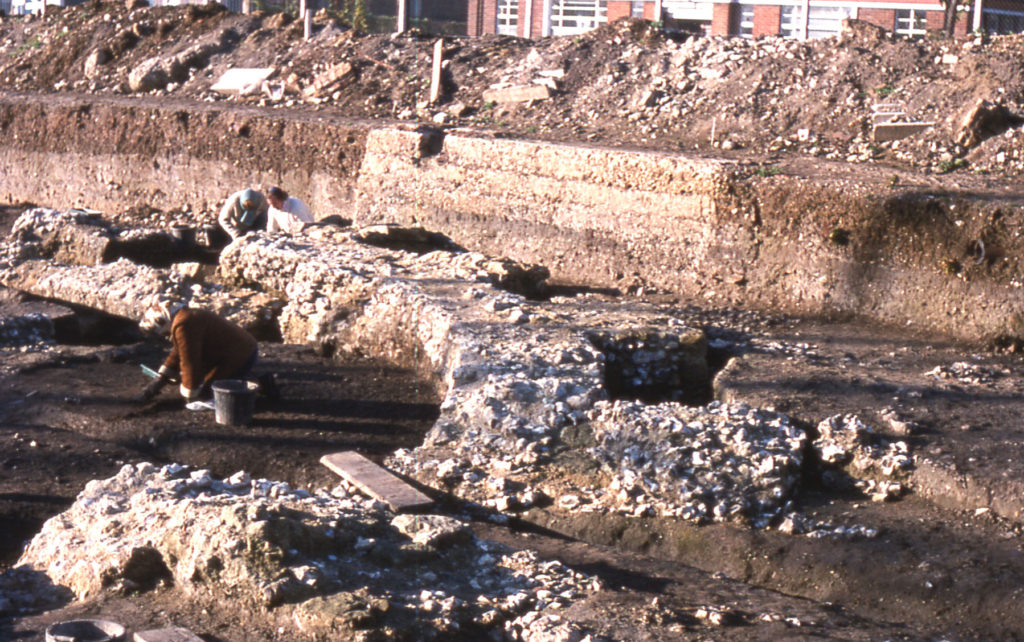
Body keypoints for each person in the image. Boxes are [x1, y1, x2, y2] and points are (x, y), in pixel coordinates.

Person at [138, 299, 259, 404]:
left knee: (209, 392)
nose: (164, 336)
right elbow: (180, 350)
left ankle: (257, 383)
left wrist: (190, 394)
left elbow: (189, 360)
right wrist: (162, 377)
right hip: (236, 350)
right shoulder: (184, 316)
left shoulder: (184, 325)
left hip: (241, 354)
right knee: (203, 384)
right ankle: (246, 376)